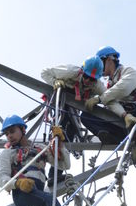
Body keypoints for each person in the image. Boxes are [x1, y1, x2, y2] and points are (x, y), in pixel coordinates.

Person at [81, 46, 136, 143]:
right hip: (120, 121)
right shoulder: (107, 85)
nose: (98, 67)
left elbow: (123, 88)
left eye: (100, 63)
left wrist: (100, 99)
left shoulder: (129, 72)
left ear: (109, 60)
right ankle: (112, 137)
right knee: (85, 115)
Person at [41, 57, 106, 185]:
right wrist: (54, 81)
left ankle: (55, 175)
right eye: (86, 76)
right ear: (82, 71)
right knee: (61, 132)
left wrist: (100, 100)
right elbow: (44, 73)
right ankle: (51, 175)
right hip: (62, 101)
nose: (88, 81)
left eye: (92, 79)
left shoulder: (98, 85)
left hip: (75, 109)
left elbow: (109, 97)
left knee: (69, 136)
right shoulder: (70, 71)